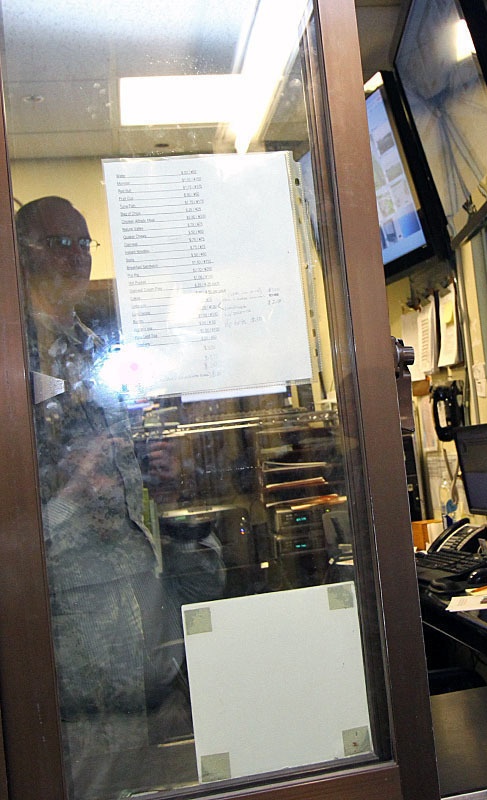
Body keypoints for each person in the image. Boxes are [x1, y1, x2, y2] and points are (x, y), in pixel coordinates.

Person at [17, 196, 219, 797]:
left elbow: (127, 494)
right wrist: (74, 491)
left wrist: (158, 475)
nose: (77, 256)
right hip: (70, 672)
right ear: (21, 253)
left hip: (144, 647)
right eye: (60, 243)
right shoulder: (12, 356)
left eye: (85, 243)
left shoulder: (92, 350)